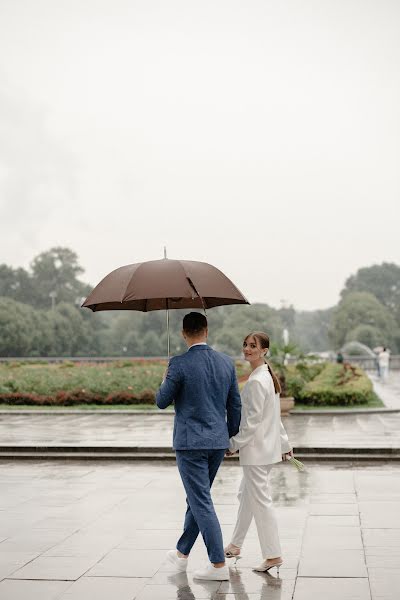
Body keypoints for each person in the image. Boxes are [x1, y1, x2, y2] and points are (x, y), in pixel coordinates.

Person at [156, 311, 242, 581]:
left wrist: (164, 378)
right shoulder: (226, 362)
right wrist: (228, 436)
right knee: (197, 498)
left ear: (183, 333)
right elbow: (235, 405)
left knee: (201, 501)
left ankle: (218, 565)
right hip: (217, 442)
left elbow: (161, 400)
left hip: (190, 443)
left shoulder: (178, 364)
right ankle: (182, 554)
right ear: (207, 330)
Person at [224, 331, 292, 575]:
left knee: (260, 501)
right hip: (266, 450)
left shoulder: (256, 381)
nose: (247, 349)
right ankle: (235, 545)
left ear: (264, 350)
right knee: (246, 495)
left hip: (256, 452)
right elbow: (273, 417)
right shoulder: (267, 377)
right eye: (245, 345)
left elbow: (251, 423)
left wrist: (233, 444)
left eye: (253, 346)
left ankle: (273, 555)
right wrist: (284, 445)